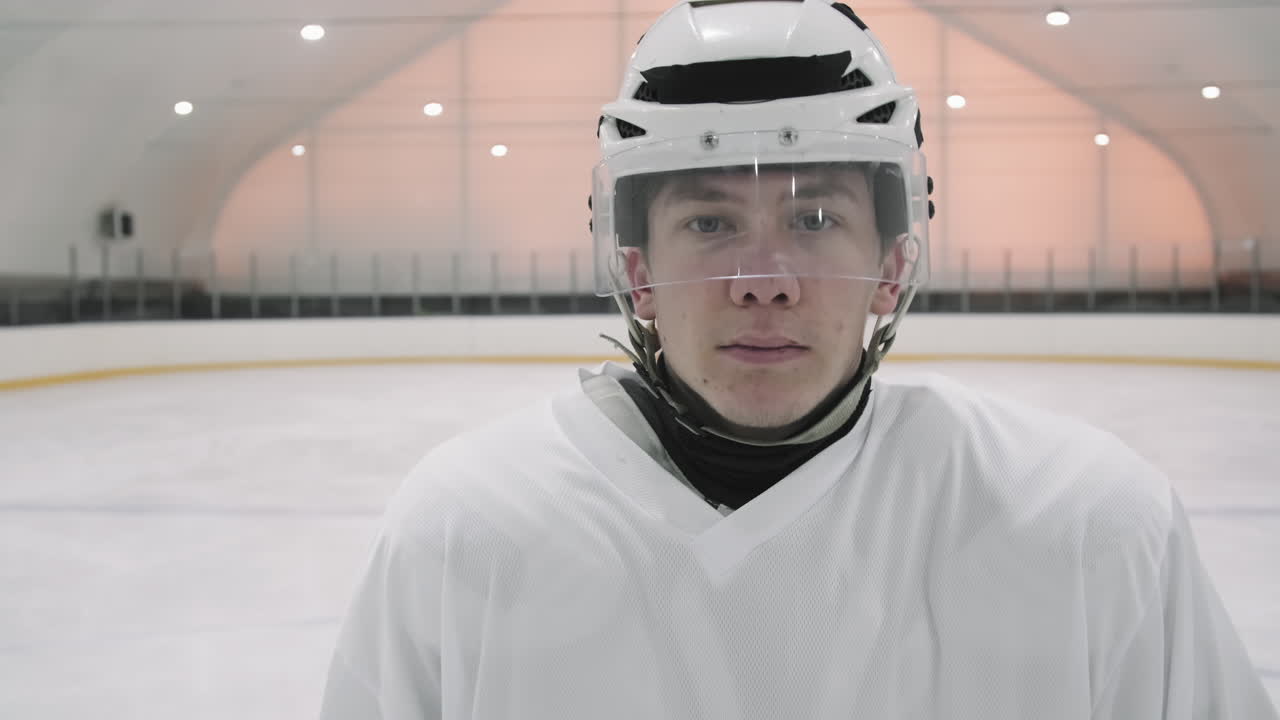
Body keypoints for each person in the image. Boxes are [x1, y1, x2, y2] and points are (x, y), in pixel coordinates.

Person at [319, 1, 1277, 718]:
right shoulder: (463, 533)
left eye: (815, 218)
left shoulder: (1091, 529)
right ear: (637, 268)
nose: (762, 279)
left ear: (891, 259)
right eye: (709, 220)